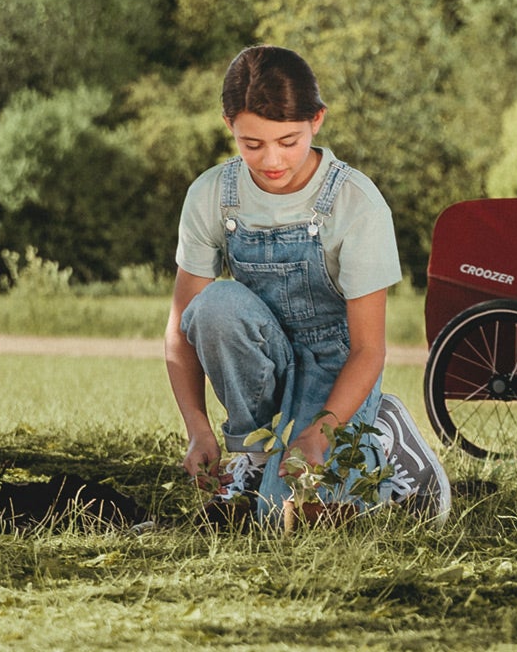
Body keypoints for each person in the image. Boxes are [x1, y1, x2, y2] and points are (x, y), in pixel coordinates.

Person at [163, 45, 450, 522]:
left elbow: (368, 350)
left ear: (317, 120)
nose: (271, 160)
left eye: (288, 141)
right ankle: (252, 456)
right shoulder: (212, 194)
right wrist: (197, 427)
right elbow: (181, 327)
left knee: (301, 516)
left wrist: (320, 431)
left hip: (338, 366)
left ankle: (383, 432)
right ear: (228, 124)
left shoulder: (355, 202)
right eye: (252, 144)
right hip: (265, 358)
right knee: (215, 305)